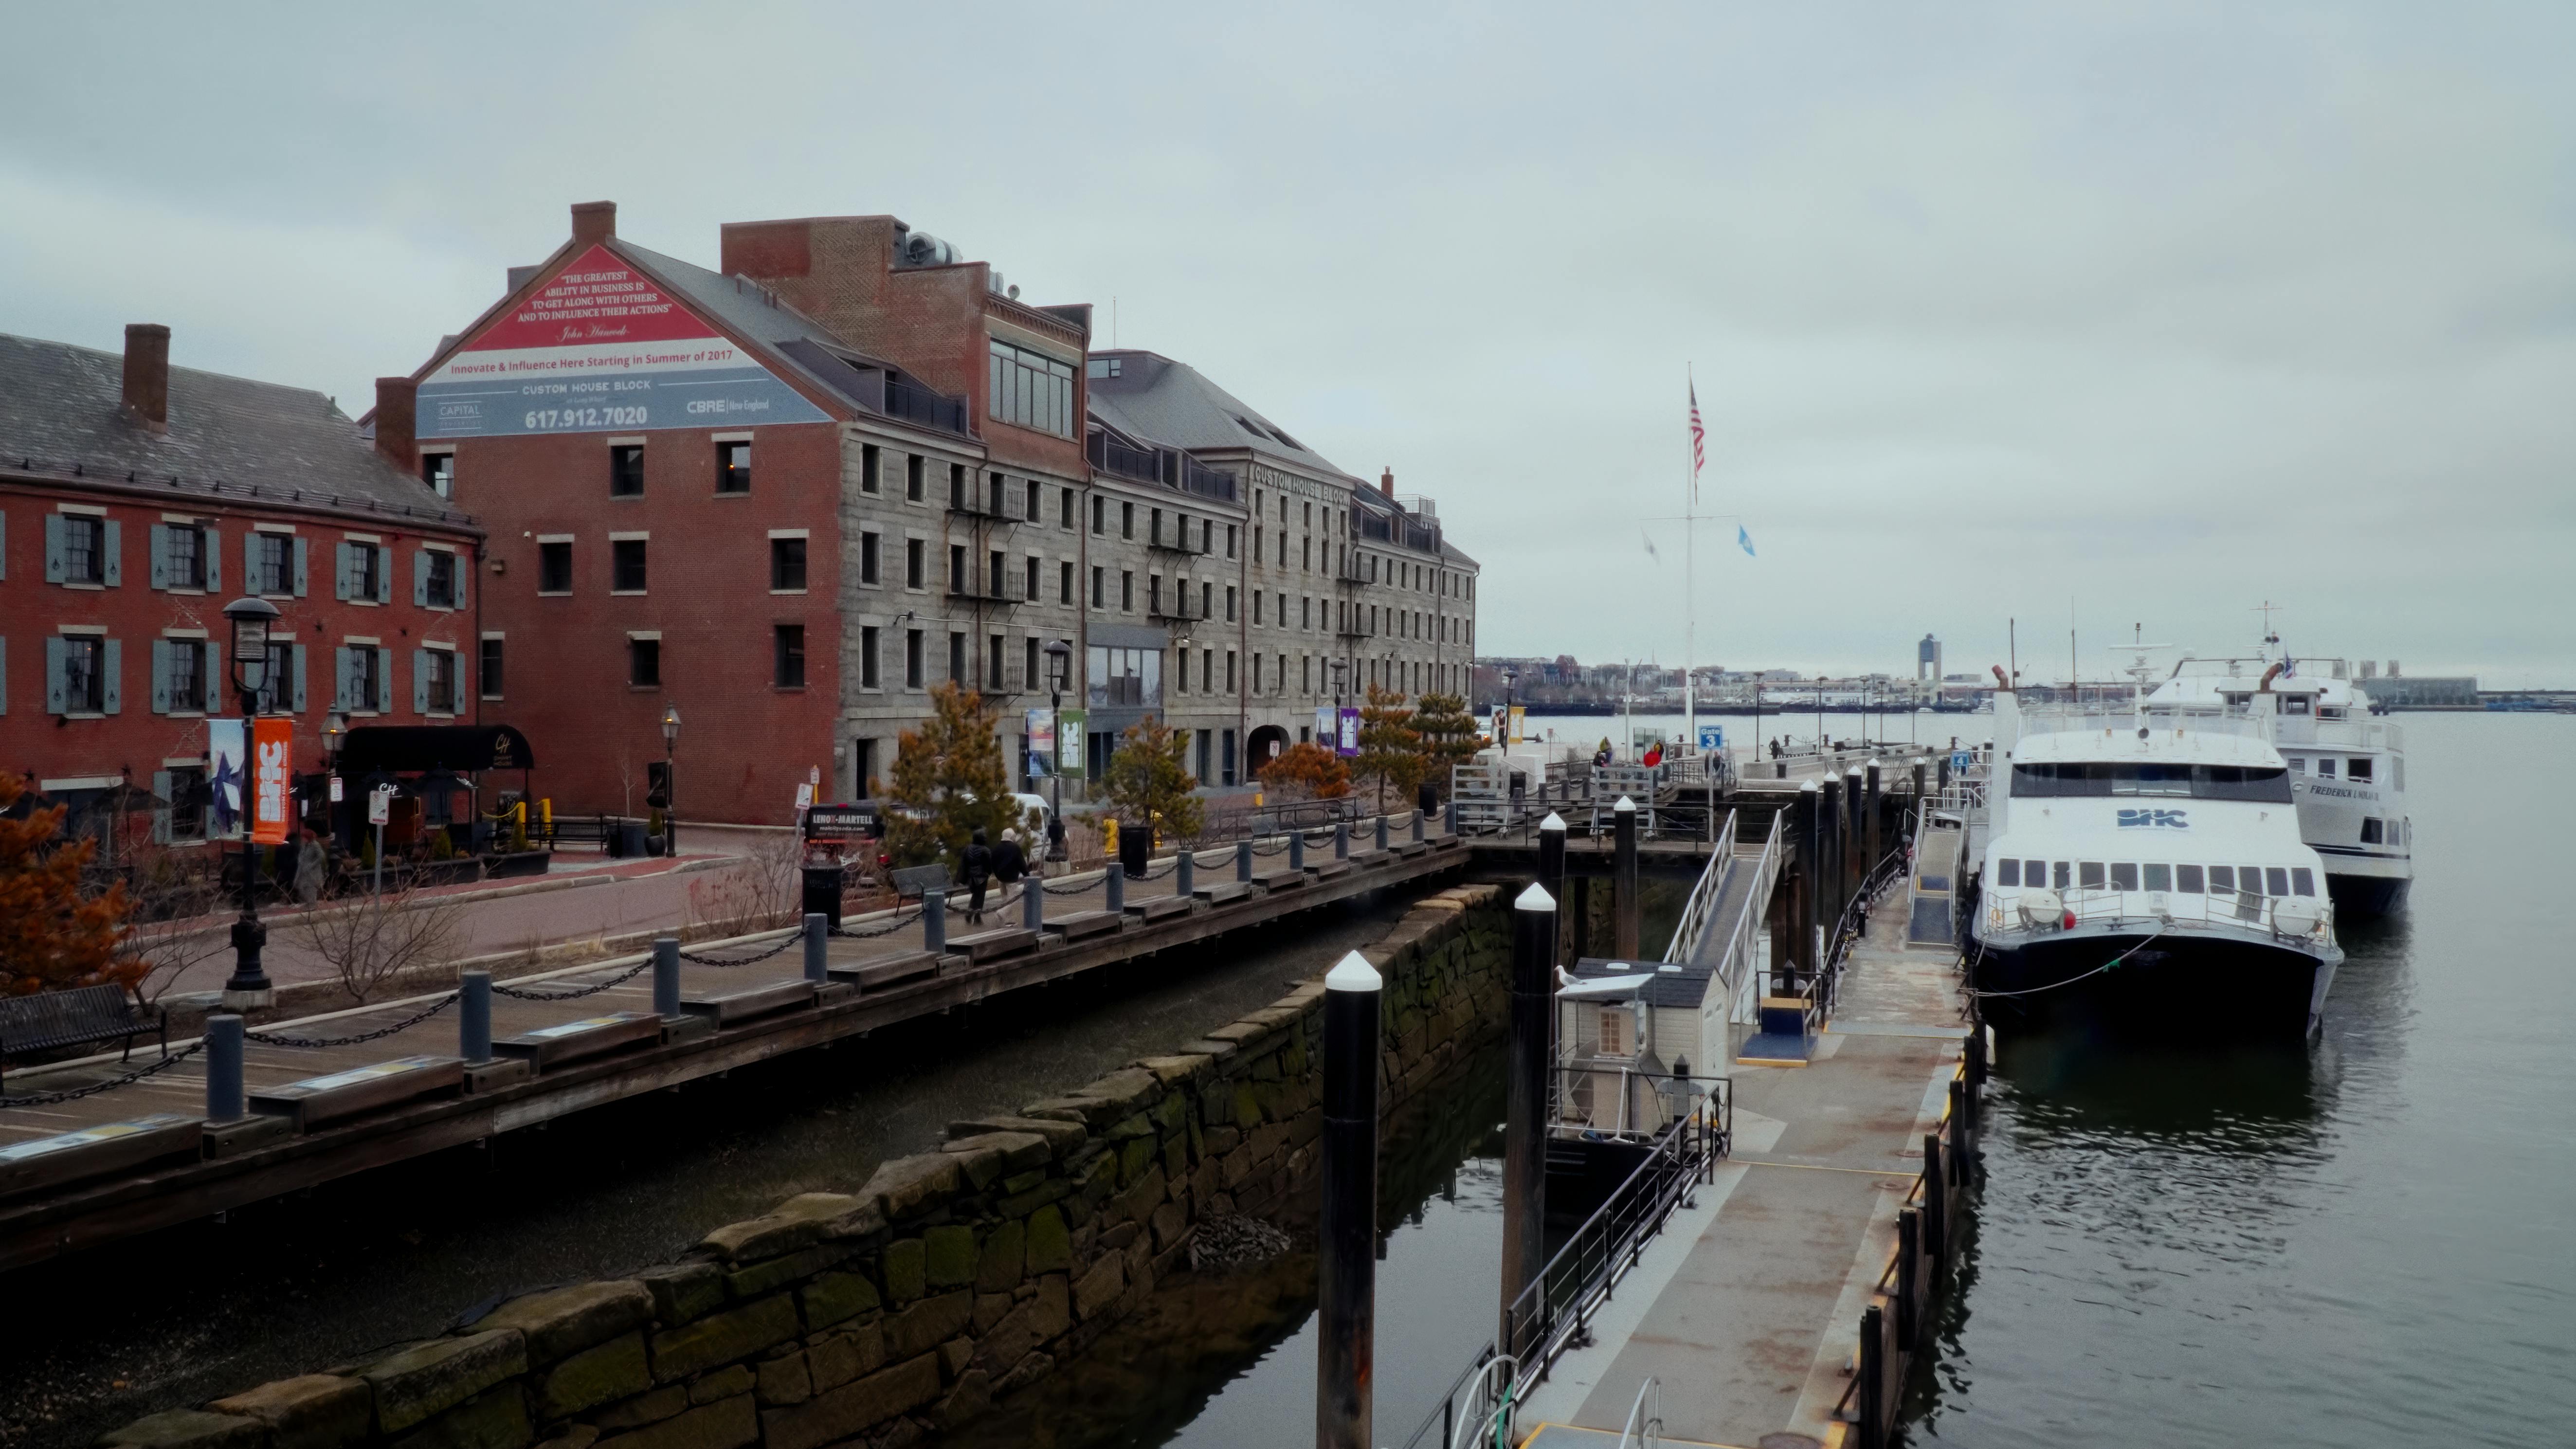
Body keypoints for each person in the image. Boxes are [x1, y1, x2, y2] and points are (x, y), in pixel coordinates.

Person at [962, 827, 993, 924]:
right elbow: (989, 865)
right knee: (980, 897)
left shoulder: (968, 848)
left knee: (975, 896)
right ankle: (977, 917)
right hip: (981, 877)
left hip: (971, 876)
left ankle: (970, 913)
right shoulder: (985, 850)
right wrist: (989, 872)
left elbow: (964, 863)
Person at [993, 827, 1028, 899]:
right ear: (1012, 836)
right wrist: (1027, 874)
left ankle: (1002, 910)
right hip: (1011, 878)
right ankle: (1000, 911)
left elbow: (993, 863)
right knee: (1011, 901)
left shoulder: (997, 848)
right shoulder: (1014, 847)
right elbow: (1021, 863)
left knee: (1005, 899)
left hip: (1000, 877)